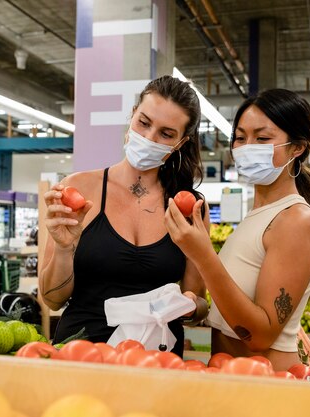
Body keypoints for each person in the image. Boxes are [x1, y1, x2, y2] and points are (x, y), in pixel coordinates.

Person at [164, 89, 310, 371]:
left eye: (263, 138)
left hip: (268, 387)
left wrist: (203, 254)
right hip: (238, 379)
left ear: (298, 147)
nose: (246, 147)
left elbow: (261, 335)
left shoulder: (296, 220)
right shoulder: (259, 216)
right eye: (240, 137)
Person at [40, 75, 209, 356]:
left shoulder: (188, 208)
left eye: (166, 134)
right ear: (132, 116)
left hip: (155, 364)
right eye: (144, 122)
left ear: (180, 143)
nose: (149, 137)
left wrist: (189, 305)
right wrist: (63, 248)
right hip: (81, 355)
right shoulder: (79, 189)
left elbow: (199, 303)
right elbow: (52, 300)